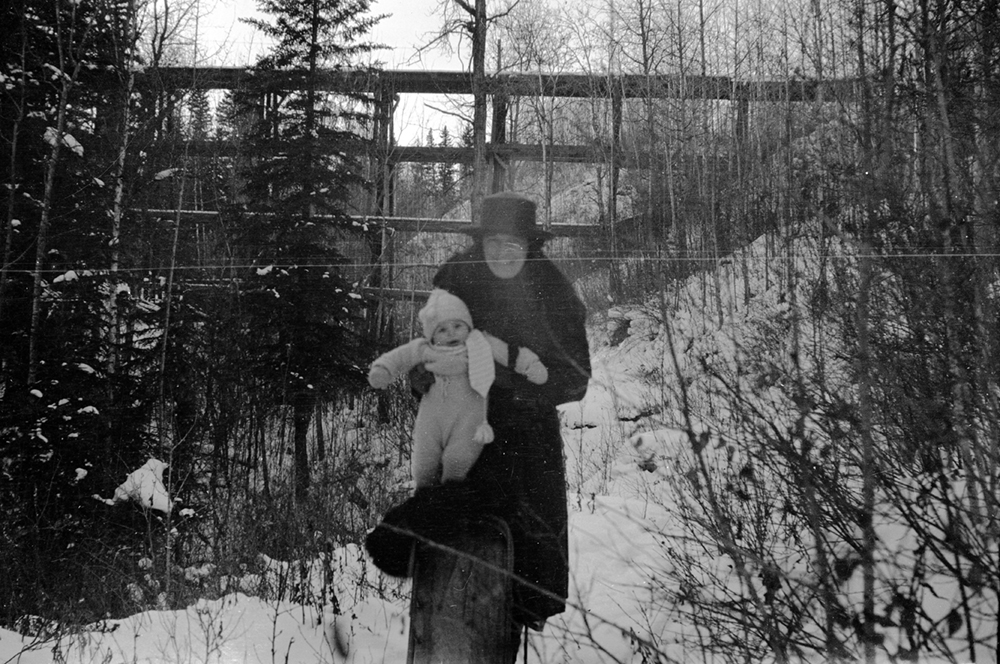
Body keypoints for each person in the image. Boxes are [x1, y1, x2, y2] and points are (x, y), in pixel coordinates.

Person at [431, 191, 592, 651]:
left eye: (513, 245)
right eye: (493, 244)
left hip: (525, 453)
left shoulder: (553, 291)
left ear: (530, 246)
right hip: (462, 445)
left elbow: (575, 379)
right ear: (480, 244)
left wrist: (510, 385)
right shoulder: (456, 283)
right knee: (451, 584)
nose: (502, 254)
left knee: (515, 586)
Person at [367, 287, 548, 487]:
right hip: (432, 416)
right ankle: (424, 492)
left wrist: (531, 365)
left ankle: (451, 489)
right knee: (424, 459)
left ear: (468, 327)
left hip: (469, 416)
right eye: (442, 330)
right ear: (432, 336)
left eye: (457, 326)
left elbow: (510, 353)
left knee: (459, 458)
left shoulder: (479, 343)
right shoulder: (424, 349)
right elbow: (399, 358)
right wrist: (383, 370)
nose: (451, 333)